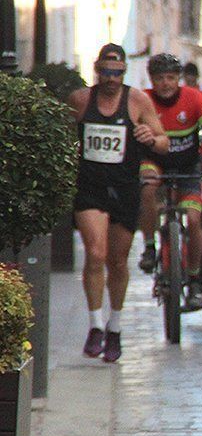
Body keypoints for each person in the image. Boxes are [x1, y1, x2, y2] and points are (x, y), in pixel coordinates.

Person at [66, 43, 169, 362]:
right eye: (106, 72)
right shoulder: (81, 99)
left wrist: (151, 139)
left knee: (118, 261)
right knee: (95, 254)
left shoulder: (137, 99)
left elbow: (164, 142)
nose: (111, 78)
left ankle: (116, 328)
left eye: (118, 72)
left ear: (125, 72)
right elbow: (62, 135)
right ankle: (96, 325)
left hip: (124, 187)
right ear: (97, 70)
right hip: (90, 187)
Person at [136, 53, 202, 310]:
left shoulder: (194, 98)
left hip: (188, 167)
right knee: (147, 188)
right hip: (155, 162)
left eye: (171, 78)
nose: (166, 84)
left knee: (194, 220)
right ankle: (149, 247)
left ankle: (193, 280)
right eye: (159, 78)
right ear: (151, 80)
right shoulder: (143, 100)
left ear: (179, 79)